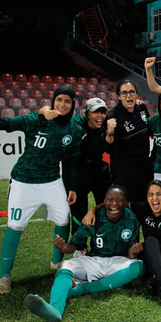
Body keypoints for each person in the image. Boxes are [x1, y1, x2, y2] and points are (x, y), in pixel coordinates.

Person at [0, 86, 83, 294]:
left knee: (64, 218)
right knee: (15, 226)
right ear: (53, 101)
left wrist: (72, 186)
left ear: (74, 104)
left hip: (52, 181)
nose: (62, 105)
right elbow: (3, 123)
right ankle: (5, 276)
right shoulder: (35, 120)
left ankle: (56, 262)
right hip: (23, 181)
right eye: (59, 100)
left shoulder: (74, 128)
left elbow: (73, 161)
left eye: (67, 101)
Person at [24, 185, 144, 322]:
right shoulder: (93, 217)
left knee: (139, 266)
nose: (114, 204)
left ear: (125, 202)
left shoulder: (132, 220)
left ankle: (81, 288)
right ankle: (55, 310)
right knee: (64, 265)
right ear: (104, 201)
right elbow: (73, 245)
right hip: (94, 260)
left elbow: (130, 255)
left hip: (118, 262)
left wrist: (134, 252)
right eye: (110, 199)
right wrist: (63, 248)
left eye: (119, 200)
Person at [59, 97, 111, 236]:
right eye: (95, 112)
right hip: (77, 171)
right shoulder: (76, 124)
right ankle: (79, 245)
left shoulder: (107, 125)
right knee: (78, 210)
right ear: (87, 113)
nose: (100, 116)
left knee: (106, 205)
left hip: (97, 169)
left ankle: (104, 240)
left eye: (103, 112)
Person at [105, 79, 152, 202]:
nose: (128, 95)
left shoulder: (142, 108)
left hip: (144, 165)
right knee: (126, 202)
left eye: (131, 92)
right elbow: (109, 148)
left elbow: (150, 130)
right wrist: (109, 132)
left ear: (136, 94)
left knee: (144, 200)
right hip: (124, 169)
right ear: (119, 96)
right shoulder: (112, 115)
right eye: (124, 93)